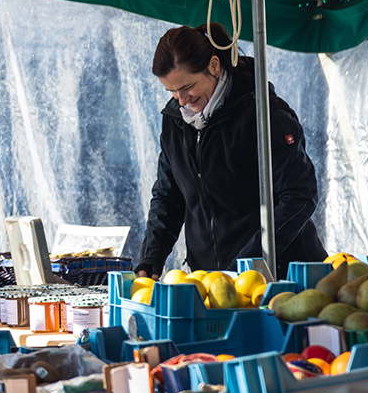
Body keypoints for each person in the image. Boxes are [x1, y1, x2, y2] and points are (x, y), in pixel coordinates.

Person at [136, 23, 324, 281]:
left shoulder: (264, 113)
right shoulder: (176, 121)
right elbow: (168, 197)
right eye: (172, 91)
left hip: (282, 276)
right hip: (215, 281)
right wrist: (151, 258)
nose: (181, 100)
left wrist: (249, 261)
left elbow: (299, 195)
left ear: (214, 66)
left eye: (187, 87)